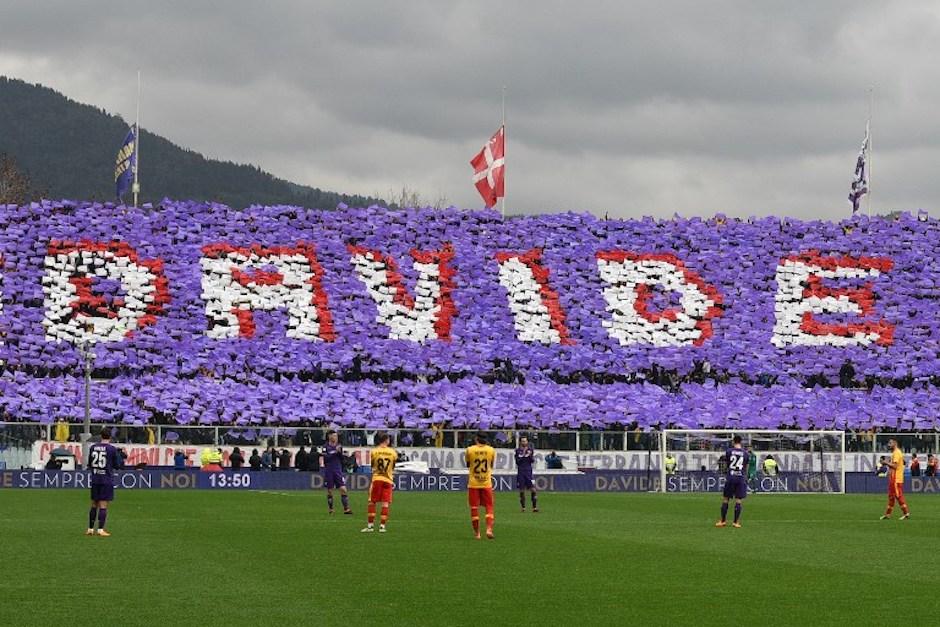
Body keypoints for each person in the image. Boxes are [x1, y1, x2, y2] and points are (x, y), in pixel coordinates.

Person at [86, 427, 121, 537]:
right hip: (106, 479)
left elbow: (90, 463)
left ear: (101, 436)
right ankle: (100, 529)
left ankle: (90, 529)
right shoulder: (111, 449)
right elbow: (117, 465)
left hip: (95, 478)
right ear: (110, 437)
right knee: (103, 505)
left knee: (93, 504)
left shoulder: (93, 447)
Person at [362, 432, 397, 533]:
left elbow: (373, 465)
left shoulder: (374, 451)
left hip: (377, 478)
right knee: (385, 503)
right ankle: (382, 526)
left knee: (372, 501)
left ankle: (370, 526)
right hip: (388, 479)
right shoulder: (393, 452)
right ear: (386, 440)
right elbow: (393, 466)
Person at [466, 432, 496, 540]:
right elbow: (491, 465)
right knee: (489, 506)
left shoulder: (470, 450)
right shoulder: (491, 450)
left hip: (473, 483)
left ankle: (477, 533)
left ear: (476, 439)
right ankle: (488, 529)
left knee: (474, 508)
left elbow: (468, 464)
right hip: (486, 483)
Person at [715, 435, 748, 529]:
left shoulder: (729, 451)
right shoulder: (745, 453)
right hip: (741, 477)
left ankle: (723, 521)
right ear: (741, 442)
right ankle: (736, 522)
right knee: (738, 500)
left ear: (733, 442)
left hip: (731, 477)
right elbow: (746, 466)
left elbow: (728, 463)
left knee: (726, 499)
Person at [322, 430, 352, 515]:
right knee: (330, 490)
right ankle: (331, 509)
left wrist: (340, 453)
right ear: (329, 437)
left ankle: (346, 509)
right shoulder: (325, 446)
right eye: (334, 436)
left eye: (336, 436)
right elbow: (326, 458)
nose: (336, 437)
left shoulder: (339, 446)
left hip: (338, 470)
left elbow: (341, 459)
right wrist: (335, 452)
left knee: (343, 489)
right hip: (329, 470)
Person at [880, 438, 910, 521]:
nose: (888, 444)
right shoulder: (895, 453)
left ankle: (906, 513)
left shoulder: (897, 453)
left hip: (896, 479)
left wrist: (886, 463)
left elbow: (895, 466)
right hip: (893, 478)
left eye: (890, 443)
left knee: (898, 495)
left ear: (895, 443)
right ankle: (888, 514)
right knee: (891, 496)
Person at [514, 435, 538, 513]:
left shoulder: (530, 450)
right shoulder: (518, 451)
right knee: (521, 490)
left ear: (527, 442)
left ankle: (534, 507)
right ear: (520, 442)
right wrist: (523, 455)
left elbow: (532, 461)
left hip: (528, 472)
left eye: (525, 441)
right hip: (521, 472)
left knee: (533, 489)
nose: (524, 442)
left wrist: (530, 455)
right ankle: (523, 507)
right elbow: (517, 462)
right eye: (523, 441)